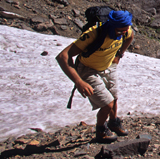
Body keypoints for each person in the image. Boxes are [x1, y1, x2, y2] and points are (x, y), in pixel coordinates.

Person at [56, 10, 134, 143]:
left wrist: (119, 55)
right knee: (107, 103)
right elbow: (63, 56)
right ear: (113, 26)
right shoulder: (94, 34)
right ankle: (100, 130)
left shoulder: (126, 30)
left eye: (126, 30)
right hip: (88, 69)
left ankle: (113, 122)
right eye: (120, 31)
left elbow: (130, 36)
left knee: (114, 97)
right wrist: (79, 81)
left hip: (108, 66)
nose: (124, 33)